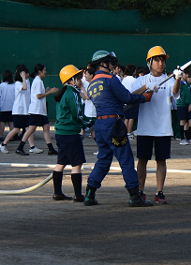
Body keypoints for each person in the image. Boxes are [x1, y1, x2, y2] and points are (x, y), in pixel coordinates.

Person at [83, 50, 154, 207]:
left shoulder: (92, 83)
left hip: (100, 126)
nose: (113, 66)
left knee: (103, 160)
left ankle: (89, 194)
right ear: (103, 63)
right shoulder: (111, 79)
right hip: (114, 125)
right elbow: (126, 98)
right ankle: (134, 196)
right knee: (126, 159)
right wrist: (145, 97)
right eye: (110, 63)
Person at [133, 46, 181, 204]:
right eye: (157, 60)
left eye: (163, 60)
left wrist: (179, 78)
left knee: (161, 160)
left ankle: (159, 192)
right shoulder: (141, 80)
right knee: (142, 160)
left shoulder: (170, 79)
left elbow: (175, 93)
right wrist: (146, 88)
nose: (160, 63)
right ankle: (140, 190)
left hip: (163, 128)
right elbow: (131, 96)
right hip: (145, 128)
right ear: (149, 62)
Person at [52, 65, 94, 202]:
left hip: (61, 133)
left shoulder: (64, 93)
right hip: (70, 133)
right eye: (78, 77)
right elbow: (77, 114)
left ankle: (57, 193)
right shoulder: (72, 93)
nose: (81, 80)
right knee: (77, 164)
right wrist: (89, 122)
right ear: (71, 80)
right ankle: (78, 195)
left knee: (61, 163)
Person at [18, 63, 59, 156]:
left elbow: (39, 94)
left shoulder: (39, 81)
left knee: (46, 128)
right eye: (44, 70)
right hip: (36, 110)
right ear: (40, 71)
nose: (46, 72)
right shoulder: (37, 81)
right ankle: (20, 147)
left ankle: (50, 148)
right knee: (31, 129)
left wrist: (46, 91)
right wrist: (50, 92)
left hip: (41, 111)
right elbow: (38, 96)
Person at [0, 65, 36, 154]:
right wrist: (23, 77)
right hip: (19, 111)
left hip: (26, 111)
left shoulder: (26, 82)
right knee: (16, 129)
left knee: (29, 129)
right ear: (21, 74)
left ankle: (32, 146)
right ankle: (3, 144)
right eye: (26, 73)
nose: (27, 75)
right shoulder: (18, 83)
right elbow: (24, 88)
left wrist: (25, 78)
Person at [176, 68, 191, 145]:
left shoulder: (188, 84)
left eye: (188, 74)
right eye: (186, 74)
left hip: (188, 105)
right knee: (183, 122)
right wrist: (188, 104)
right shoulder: (179, 84)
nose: (187, 75)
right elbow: (181, 96)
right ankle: (182, 139)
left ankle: (190, 138)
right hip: (182, 105)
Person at [0, 70, 15, 142]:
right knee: (11, 122)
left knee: (2, 122)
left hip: (3, 106)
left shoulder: (2, 85)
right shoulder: (14, 85)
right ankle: (12, 136)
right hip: (12, 107)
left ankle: (1, 136)